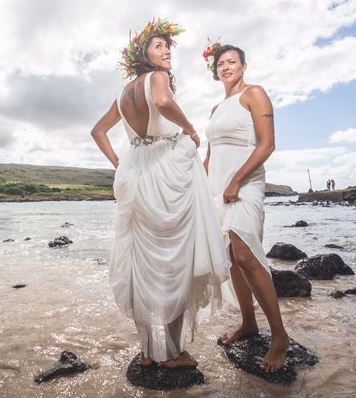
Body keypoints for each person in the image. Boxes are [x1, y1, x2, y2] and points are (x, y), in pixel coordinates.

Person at [91, 19, 230, 368]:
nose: (166, 50)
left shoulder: (122, 95)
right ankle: (173, 352)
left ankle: (146, 353)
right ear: (144, 56)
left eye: (168, 46)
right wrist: (190, 129)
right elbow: (163, 102)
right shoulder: (157, 77)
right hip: (167, 172)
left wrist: (121, 162)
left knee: (142, 262)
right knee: (177, 260)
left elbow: (98, 132)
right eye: (158, 46)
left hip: (137, 173)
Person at [202, 42, 289, 372]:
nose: (226, 66)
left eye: (232, 61)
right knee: (230, 257)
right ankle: (249, 323)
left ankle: (280, 336)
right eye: (221, 63)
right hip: (218, 187)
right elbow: (210, 156)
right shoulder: (215, 108)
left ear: (243, 66)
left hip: (246, 183)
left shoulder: (255, 94)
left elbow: (268, 144)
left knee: (244, 252)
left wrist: (237, 180)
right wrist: (200, 188)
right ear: (216, 71)